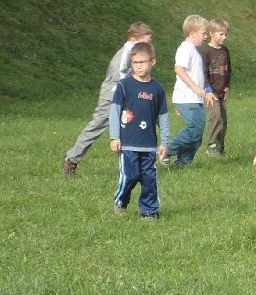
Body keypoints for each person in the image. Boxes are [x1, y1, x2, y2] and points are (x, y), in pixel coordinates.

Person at [62, 22, 153, 176]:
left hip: (125, 96)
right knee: (97, 126)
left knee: (131, 127)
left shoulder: (134, 53)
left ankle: (134, 165)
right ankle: (71, 159)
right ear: (133, 39)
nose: (147, 47)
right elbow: (122, 78)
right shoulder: (125, 54)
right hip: (112, 97)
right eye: (145, 42)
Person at [109, 42, 170, 220]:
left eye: (142, 62)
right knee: (130, 176)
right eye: (135, 63)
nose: (138, 66)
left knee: (149, 180)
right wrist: (114, 137)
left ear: (152, 62)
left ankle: (149, 211)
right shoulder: (124, 86)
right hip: (128, 144)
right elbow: (115, 112)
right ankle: (121, 201)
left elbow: (163, 117)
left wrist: (165, 142)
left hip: (149, 145)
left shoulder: (157, 89)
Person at [163, 15, 215, 167]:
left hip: (193, 98)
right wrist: (195, 88)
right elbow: (179, 69)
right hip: (187, 97)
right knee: (194, 130)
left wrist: (203, 90)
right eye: (203, 33)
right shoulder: (185, 48)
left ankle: (183, 163)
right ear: (192, 33)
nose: (206, 37)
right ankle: (166, 150)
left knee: (197, 134)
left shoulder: (193, 50)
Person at [202, 18, 232, 157]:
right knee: (216, 118)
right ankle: (211, 145)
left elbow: (229, 70)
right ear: (211, 33)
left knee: (223, 121)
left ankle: (220, 147)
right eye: (221, 34)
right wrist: (207, 90)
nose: (224, 37)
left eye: (225, 34)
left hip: (222, 92)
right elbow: (203, 73)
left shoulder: (225, 51)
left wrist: (227, 87)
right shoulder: (206, 51)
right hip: (211, 93)